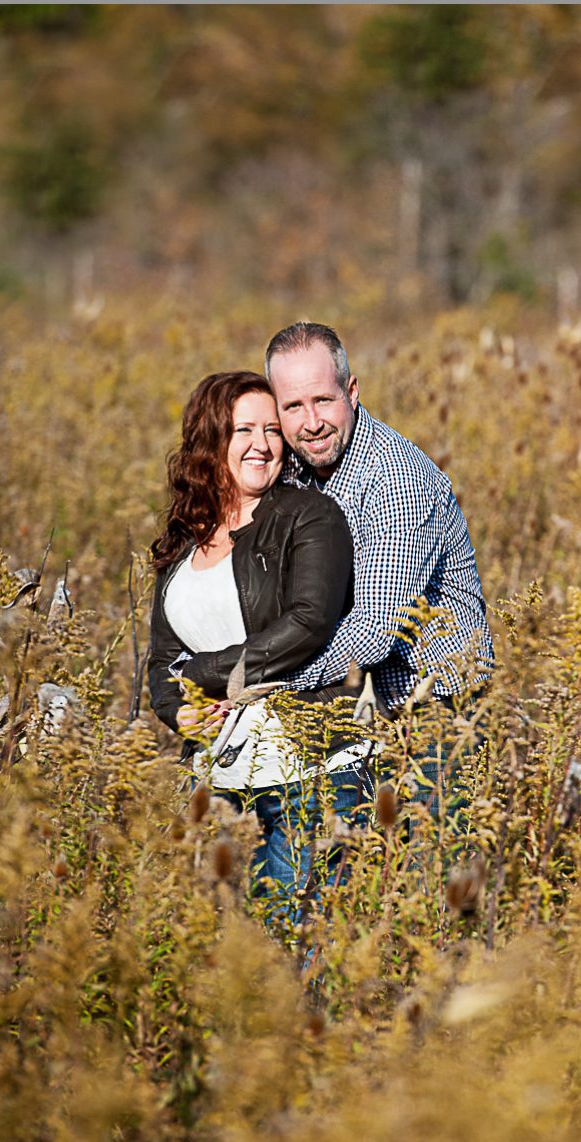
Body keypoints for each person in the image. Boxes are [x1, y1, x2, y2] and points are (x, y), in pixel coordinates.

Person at [177, 322, 495, 824]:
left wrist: (249, 686)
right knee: (334, 880)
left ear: (352, 391)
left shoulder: (396, 478)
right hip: (341, 711)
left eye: (323, 400)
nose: (311, 422)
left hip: (427, 711)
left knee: (428, 886)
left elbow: (373, 630)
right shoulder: (294, 465)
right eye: (293, 407)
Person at [146, 371, 369, 929]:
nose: (263, 443)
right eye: (244, 429)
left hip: (306, 767)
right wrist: (183, 711)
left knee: (288, 943)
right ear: (210, 439)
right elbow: (160, 663)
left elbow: (309, 622)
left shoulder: (308, 516)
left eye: (273, 429)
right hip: (217, 775)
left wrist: (207, 674)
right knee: (218, 946)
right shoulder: (184, 536)